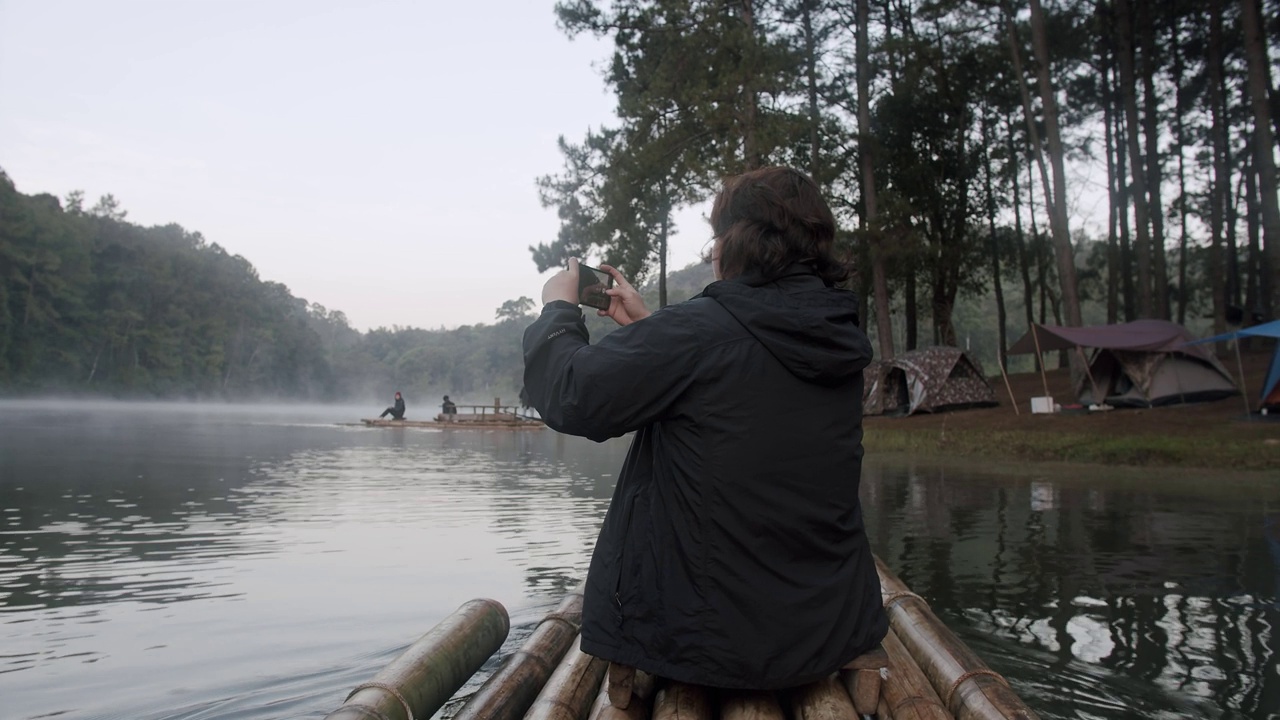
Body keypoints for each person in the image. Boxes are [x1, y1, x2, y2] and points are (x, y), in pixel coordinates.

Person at [522, 166, 887, 690]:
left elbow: (572, 395)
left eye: (717, 236)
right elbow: (739, 386)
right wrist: (650, 328)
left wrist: (557, 307)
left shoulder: (697, 332)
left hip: (711, 642)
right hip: (824, 630)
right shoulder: (837, 335)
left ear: (736, 243)